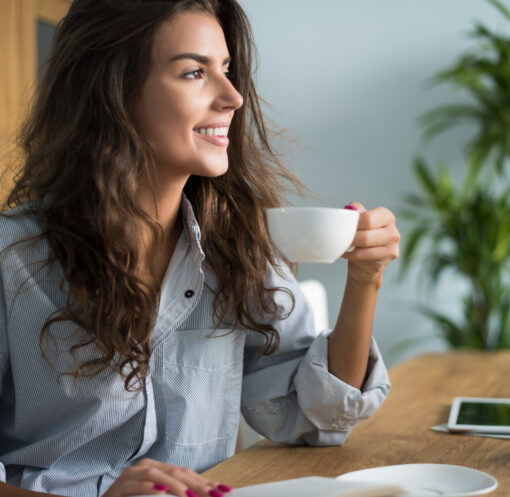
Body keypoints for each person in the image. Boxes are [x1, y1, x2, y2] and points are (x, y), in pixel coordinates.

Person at [0, 0, 400, 496]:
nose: (232, 96)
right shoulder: (12, 257)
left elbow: (312, 414)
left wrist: (365, 280)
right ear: (113, 91)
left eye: (227, 71)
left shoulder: (238, 245)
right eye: (194, 72)